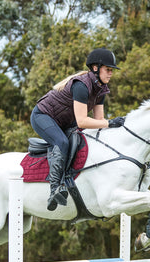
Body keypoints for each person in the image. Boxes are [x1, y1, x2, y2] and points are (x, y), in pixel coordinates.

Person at [30, 48, 125, 211]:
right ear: (96, 68)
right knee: (61, 142)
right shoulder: (81, 86)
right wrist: (109, 123)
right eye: (108, 69)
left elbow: (98, 121)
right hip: (43, 116)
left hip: (65, 121)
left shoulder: (101, 90)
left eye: (111, 70)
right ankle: (54, 189)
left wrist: (115, 127)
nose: (110, 73)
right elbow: (82, 120)